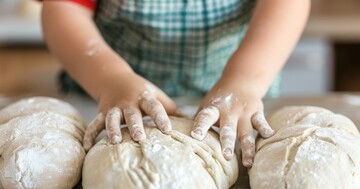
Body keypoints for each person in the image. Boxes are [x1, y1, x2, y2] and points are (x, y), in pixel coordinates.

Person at [40, 0, 310, 167]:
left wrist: (245, 80)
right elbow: (63, 7)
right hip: (107, 94)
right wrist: (110, 80)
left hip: (239, 100)